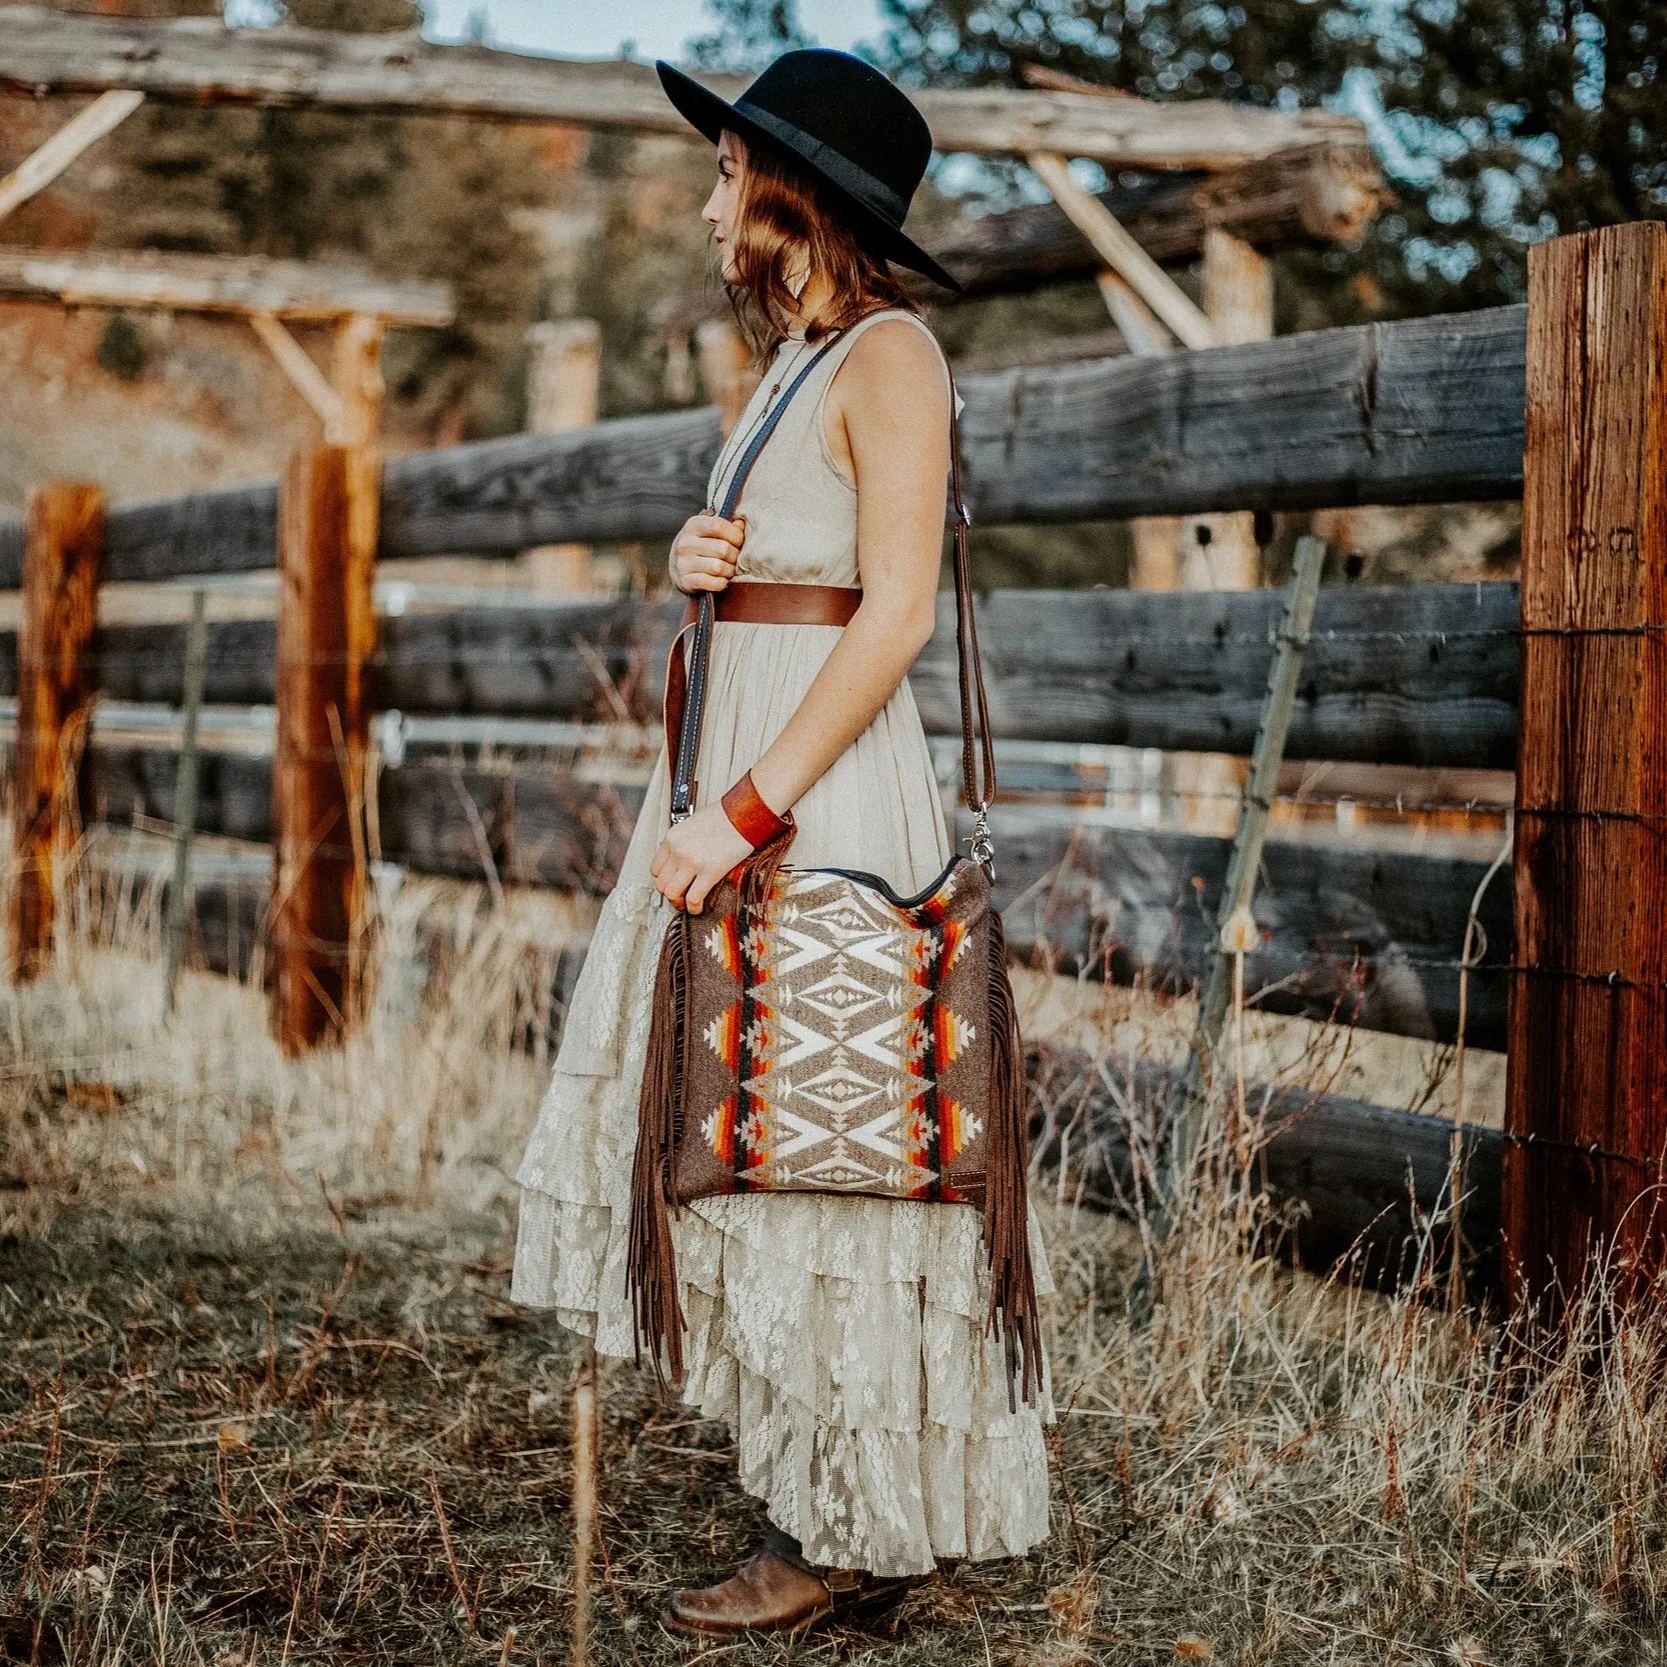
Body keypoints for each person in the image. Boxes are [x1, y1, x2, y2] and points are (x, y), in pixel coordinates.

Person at [510, 46, 1057, 1639]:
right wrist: (702, 554)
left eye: (727, 175)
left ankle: (855, 1534)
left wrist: (746, 812)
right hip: (746, 776)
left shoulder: (891, 354)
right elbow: (796, 573)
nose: (705, 203)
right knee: (751, 1143)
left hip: (815, 802)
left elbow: (889, 618)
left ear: (792, 199)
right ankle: (830, 1502)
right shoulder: (800, 365)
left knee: (824, 1155)